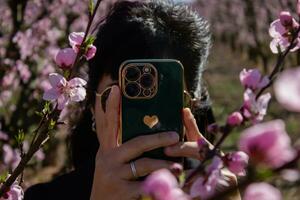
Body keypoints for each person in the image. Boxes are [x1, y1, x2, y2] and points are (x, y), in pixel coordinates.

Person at [24, 1, 240, 199]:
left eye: (164, 96)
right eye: (117, 95)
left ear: (190, 106)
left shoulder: (213, 189)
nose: (142, 110)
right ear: (92, 106)